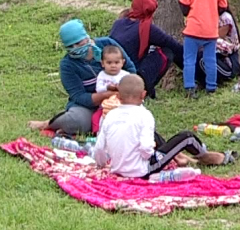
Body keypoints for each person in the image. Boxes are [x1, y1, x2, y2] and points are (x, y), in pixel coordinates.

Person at [93, 76, 232, 179]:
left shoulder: (110, 115)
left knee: (152, 134)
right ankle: (208, 156)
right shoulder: (144, 115)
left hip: (118, 168)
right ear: (143, 95)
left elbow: (99, 148)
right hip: (143, 170)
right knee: (187, 137)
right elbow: (146, 148)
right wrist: (150, 157)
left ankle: (178, 158)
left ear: (117, 96)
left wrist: (101, 164)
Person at [28, 20, 135, 135]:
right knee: (77, 121)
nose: (75, 48)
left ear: (86, 37)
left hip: (120, 98)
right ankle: (49, 124)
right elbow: (79, 96)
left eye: (78, 43)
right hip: (87, 106)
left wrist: (122, 92)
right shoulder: (67, 65)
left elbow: (131, 70)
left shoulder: (108, 45)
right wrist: (105, 95)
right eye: (70, 46)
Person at [108, 0, 182, 97]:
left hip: (111, 72)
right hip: (132, 75)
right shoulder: (147, 28)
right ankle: (146, 89)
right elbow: (172, 45)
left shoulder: (119, 23)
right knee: (167, 52)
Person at [179, 0, 229, 97]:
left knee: (189, 60)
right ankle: (211, 87)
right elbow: (223, 5)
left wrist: (189, 14)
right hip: (210, 29)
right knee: (210, 60)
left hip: (193, 28)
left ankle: (189, 88)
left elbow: (183, 4)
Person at [197, 7, 240, 87]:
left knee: (203, 58)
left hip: (228, 62)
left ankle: (212, 83)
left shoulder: (225, 17)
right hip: (218, 56)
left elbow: (215, 37)